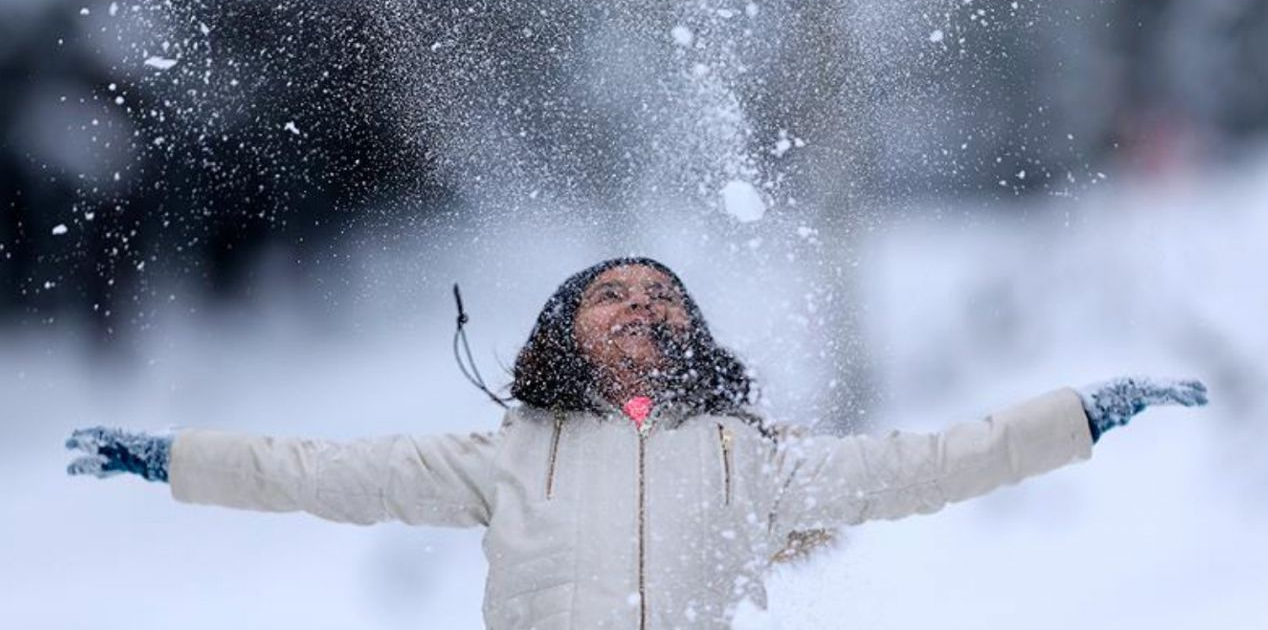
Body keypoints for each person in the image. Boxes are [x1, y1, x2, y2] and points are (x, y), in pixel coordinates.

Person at [66, 256, 1207, 630]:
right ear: (562, 331)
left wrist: (1080, 415)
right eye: (611, 293)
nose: (641, 306)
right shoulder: (505, 455)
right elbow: (314, 472)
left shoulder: (746, 459)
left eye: (663, 295)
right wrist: (171, 457)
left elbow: (927, 462)